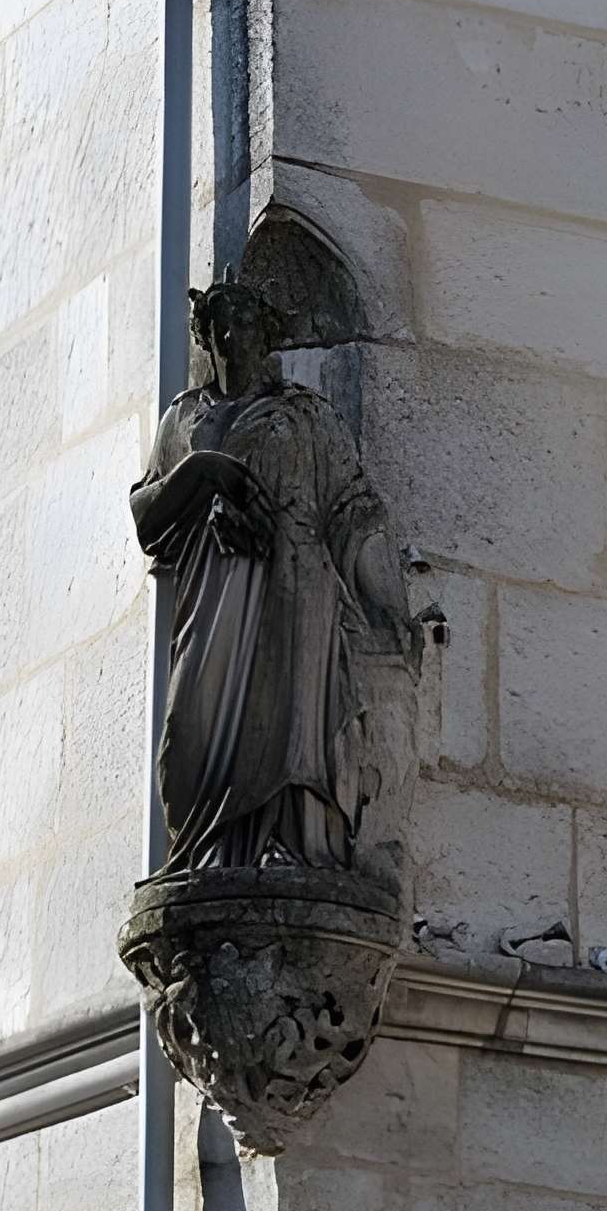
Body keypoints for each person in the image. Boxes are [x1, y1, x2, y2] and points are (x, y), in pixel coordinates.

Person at [130, 279, 413, 876]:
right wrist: (205, 472)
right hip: (214, 591)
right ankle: (206, 851)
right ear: (206, 337)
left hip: (298, 587)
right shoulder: (184, 418)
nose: (233, 337)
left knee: (295, 726)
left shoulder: (305, 414)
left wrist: (383, 599)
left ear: (268, 334)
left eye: (246, 323)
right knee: (189, 731)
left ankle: (292, 843)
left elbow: (354, 512)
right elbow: (148, 517)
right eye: (220, 326)